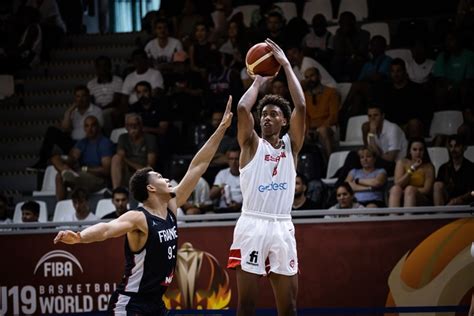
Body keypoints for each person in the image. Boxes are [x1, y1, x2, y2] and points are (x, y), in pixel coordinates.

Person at [54, 95, 233, 315]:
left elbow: (198, 165)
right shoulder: (139, 218)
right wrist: (81, 237)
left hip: (156, 304)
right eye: (159, 176)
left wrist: (222, 129)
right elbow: (107, 229)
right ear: (150, 188)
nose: (166, 179)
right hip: (130, 303)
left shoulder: (171, 206)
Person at [227, 38, 305, 316]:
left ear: (284, 121)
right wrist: (259, 80)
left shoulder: (291, 147)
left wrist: (285, 65)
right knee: (246, 306)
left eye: (274, 114)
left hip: (283, 226)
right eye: (264, 115)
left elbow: (302, 107)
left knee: (289, 307)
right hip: (252, 224)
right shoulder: (251, 145)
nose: (267, 118)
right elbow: (242, 110)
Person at [28, 86, 103, 171]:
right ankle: (42, 161)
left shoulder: (97, 111)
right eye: (78, 96)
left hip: (87, 144)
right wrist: (69, 111)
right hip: (72, 143)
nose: (81, 99)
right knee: (51, 131)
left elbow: (97, 132)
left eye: (83, 96)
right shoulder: (74, 111)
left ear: (88, 96)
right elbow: (65, 128)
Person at [52, 115, 114, 200]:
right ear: (84, 128)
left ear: (98, 127)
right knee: (57, 169)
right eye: (87, 126)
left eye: (93, 125)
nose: (90, 129)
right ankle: (59, 205)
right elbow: (73, 158)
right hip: (81, 175)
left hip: (99, 179)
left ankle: (67, 174)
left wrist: (86, 169)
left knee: (69, 177)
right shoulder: (82, 143)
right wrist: (65, 161)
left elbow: (106, 171)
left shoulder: (104, 143)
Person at [302, 66, 340, 159]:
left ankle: (330, 164)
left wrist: (318, 129)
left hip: (329, 127)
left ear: (319, 77)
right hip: (311, 128)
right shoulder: (304, 95)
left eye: (312, 76)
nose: (309, 79)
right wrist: (307, 130)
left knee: (322, 131)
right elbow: (305, 117)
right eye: (306, 77)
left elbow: (333, 116)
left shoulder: (331, 92)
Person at [111, 113, 158, 189]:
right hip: (127, 173)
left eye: (136, 124)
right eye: (129, 125)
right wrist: (126, 161)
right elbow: (119, 157)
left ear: (141, 125)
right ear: (126, 127)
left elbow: (150, 167)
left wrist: (127, 160)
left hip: (144, 176)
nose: (133, 127)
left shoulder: (150, 138)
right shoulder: (123, 137)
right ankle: (116, 191)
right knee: (116, 158)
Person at [388, 138, 435, 207]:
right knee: (395, 189)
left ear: (424, 151)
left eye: (421, 150)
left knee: (409, 189)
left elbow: (427, 190)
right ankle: (392, 216)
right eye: (414, 149)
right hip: (403, 194)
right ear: (409, 151)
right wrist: (412, 169)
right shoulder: (402, 162)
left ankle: (408, 217)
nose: (418, 152)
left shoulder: (429, 167)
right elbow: (398, 183)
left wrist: (409, 190)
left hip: (421, 198)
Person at [433, 135, 474, 206]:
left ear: (464, 148)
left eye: (457, 146)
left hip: (466, 203)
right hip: (446, 204)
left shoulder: (471, 167)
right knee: (437, 185)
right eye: (451, 146)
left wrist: (460, 199)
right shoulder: (443, 168)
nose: (453, 149)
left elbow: (473, 192)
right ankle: (439, 214)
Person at [209, 147, 242, 213]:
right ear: (228, 160)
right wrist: (220, 187)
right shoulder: (222, 174)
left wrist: (239, 205)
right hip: (224, 210)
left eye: (237, 159)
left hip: (242, 210)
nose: (234, 162)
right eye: (231, 159)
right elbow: (211, 196)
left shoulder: (247, 175)